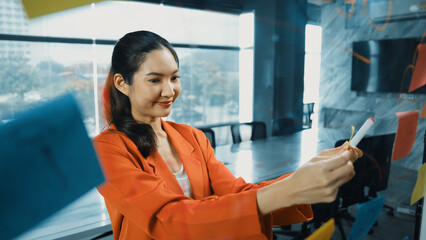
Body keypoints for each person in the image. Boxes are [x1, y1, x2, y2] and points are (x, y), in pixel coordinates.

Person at [93, 30, 362, 240]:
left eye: (174, 78)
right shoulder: (104, 151)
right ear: (122, 83)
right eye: (155, 80)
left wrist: (308, 174)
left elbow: (236, 194)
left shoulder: (192, 137)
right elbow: (170, 219)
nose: (169, 90)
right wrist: (291, 188)